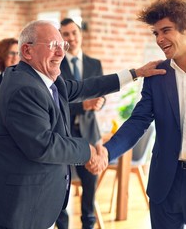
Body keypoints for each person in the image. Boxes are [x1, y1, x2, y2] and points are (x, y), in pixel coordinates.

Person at [0, 20, 165, 229]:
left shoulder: (43, 78)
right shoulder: (24, 88)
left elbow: (85, 86)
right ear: (27, 51)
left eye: (62, 46)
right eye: (52, 46)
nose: (60, 53)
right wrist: (89, 151)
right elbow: (44, 145)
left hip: (30, 205)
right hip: (14, 210)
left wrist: (135, 73)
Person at [96, 0, 186, 229]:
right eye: (156, 33)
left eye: (166, 31)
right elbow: (138, 121)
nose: (159, 39)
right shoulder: (156, 74)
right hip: (164, 185)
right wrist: (107, 152)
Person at [56, 18, 105, 229]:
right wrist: (82, 105)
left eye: (73, 33)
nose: (71, 38)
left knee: (90, 183)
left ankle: (89, 223)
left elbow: (101, 97)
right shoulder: (55, 63)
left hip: (89, 134)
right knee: (60, 183)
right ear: (61, 38)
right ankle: (62, 224)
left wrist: (99, 103)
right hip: (63, 133)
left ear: (81, 34)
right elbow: (55, 102)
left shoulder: (95, 64)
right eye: (65, 34)